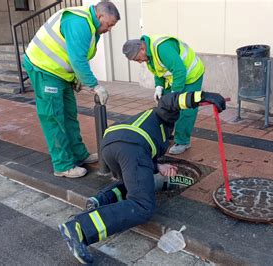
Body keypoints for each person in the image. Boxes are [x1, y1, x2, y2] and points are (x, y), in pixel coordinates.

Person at [58, 91, 226, 264]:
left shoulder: (148, 120)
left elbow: (143, 158)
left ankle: (100, 200)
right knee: (143, 205)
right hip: (132, 147)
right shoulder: (164, 114)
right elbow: (171, 100)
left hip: (110, 144)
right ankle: (79, 229)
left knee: (132, 183)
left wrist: (158, 166)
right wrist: (203, 96)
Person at [24, 2, 120, 178]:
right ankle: (63, 165)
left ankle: (79, 154)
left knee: (69, 115)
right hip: (43, 69)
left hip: (60, 74)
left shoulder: (91, 26)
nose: (110, 29)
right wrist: (94, 85)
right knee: (53, 117)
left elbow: (77, 55)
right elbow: (77, 60)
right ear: (100, 17)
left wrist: (76, 78)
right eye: (109, 24)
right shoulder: (79, 23)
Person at [122, 35, 205, 155]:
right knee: (165, 105)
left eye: (137, 59)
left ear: (142, 49)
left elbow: (179, 70)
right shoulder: (149, 56)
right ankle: (167, 134)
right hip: (177, 77)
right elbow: (159, 71)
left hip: (192, 75)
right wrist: (159, 87)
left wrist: (175, 93)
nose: (140, 62)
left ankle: (183, 141)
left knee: (186, 108)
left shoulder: (162, 48)